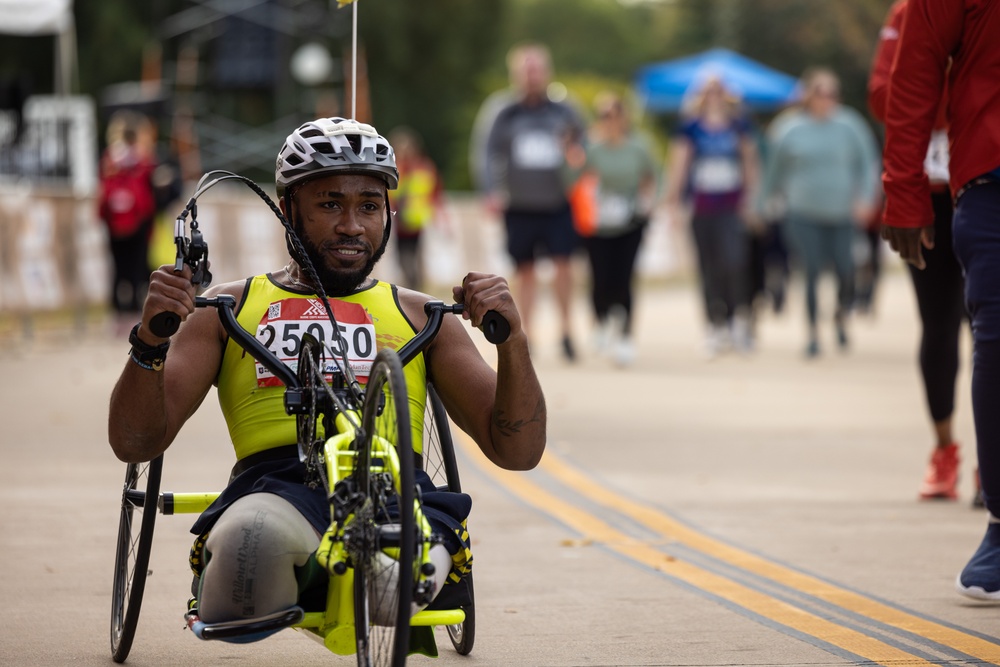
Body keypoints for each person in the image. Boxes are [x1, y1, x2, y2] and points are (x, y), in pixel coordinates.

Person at [107, 117, 547, 630]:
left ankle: (373, 570)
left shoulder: (422, 317)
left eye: (368, 206)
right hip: (273, 489)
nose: (352, 226)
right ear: (288, 209)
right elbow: (135, 443)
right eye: (330, 204)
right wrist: (151, 339)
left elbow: (518, 451)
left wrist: (513, 341)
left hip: (397, 493)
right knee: (243, 581)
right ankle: (305, 567)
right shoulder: (226, 309)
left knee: (387, 591)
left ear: (389, 212)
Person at [879, 0, 1000, 600]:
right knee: (962, 331)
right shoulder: (910, 12)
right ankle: (953, 453)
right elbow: (899, 80)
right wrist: (902, 188)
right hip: (968, 181)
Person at [868, 0, 979, 505]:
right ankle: (944, 449)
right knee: (938, 324)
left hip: (982, 181)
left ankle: (989, 461)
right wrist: (949, 85)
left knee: (987, 328)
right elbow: (885, 95)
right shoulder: (907, 13)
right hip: (929, 195)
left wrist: (939, 80)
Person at [758, 68, 880, 358]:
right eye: (820, 93)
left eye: (832, 94)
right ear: (808, 96)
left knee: (845, 270)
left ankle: (839, 316)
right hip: (802, 212)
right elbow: (772, 172)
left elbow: (868, 164)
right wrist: (762, 204)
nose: (826, 100)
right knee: (810, 272)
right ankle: (812, 333)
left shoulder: (850, 125)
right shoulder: (787, 128)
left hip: (842, 212)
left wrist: (866, 199)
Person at [483, 42, 586, 361]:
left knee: (563, 266)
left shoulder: (565, 110)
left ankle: (567, 329)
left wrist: (578, 168)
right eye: (525, 70)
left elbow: (585, 146)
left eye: (536, 69)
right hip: (520, 205)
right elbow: (487, 153)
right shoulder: (503, 111)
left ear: (547, 73)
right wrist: (490, 190)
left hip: (558, 202)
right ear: (515, 74)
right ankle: (527, 333)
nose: (531, 76)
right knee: (524, 270)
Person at [665, 76, 760, 357]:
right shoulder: (689, 129)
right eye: (709, 91)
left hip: (731, 207)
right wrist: (672, 202)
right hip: (702, 207)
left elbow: (749, 163)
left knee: (733, 262)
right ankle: (713, 325)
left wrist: (751, 200)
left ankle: (737, 320)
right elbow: (679, 166)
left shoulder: (739, 126)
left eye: (719, 91)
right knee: (708, 267)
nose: (714, 96)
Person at [566, 92, 657, 367]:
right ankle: (602, 319)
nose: (611, 120)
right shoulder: (592, 148)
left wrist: (647, 201)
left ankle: (627, 335)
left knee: (625, 277)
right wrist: (574, 154)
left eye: (615, 114)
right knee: (600, 276)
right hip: (598, 223)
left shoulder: (639, 147)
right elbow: (571, 179)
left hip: (630, 221)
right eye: (605, 115)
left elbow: (654, 177)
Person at [98, 110, 158, 321]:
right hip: (137, 219)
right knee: (135, 264)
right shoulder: (142, 160)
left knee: (119, 265)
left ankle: (118, 306)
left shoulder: (111, 159)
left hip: (116, 220)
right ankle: (131, 306)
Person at [388, 126, 444, 290]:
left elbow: (435, 192)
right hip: (400, 221)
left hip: (415, 222)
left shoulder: (421, 168)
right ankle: (412, 285)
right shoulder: (396, 168)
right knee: (404, 259)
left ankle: (415, 287)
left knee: (413, 258)